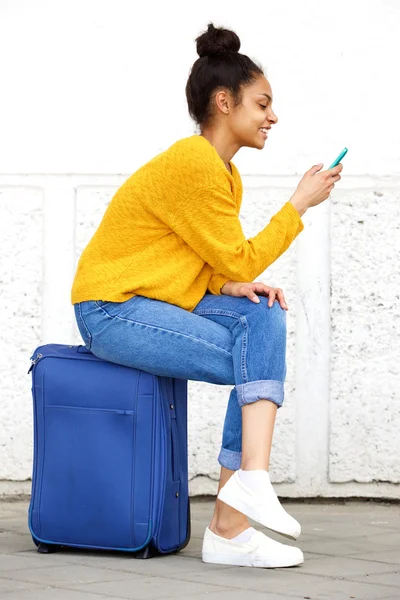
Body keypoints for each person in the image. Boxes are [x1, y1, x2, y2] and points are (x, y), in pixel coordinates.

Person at [71, 22, 343, 569]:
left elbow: (211, 259)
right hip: (111, 309)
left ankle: (240, 504)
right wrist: (298, 206)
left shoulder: (224, 174)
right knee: (254, 357)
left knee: (260, 314)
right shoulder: (194, 163)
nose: (273, 116)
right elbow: (238, 254)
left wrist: (232, 285)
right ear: (224, 102)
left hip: (154, 301)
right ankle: (239, 506)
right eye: (262, 103)